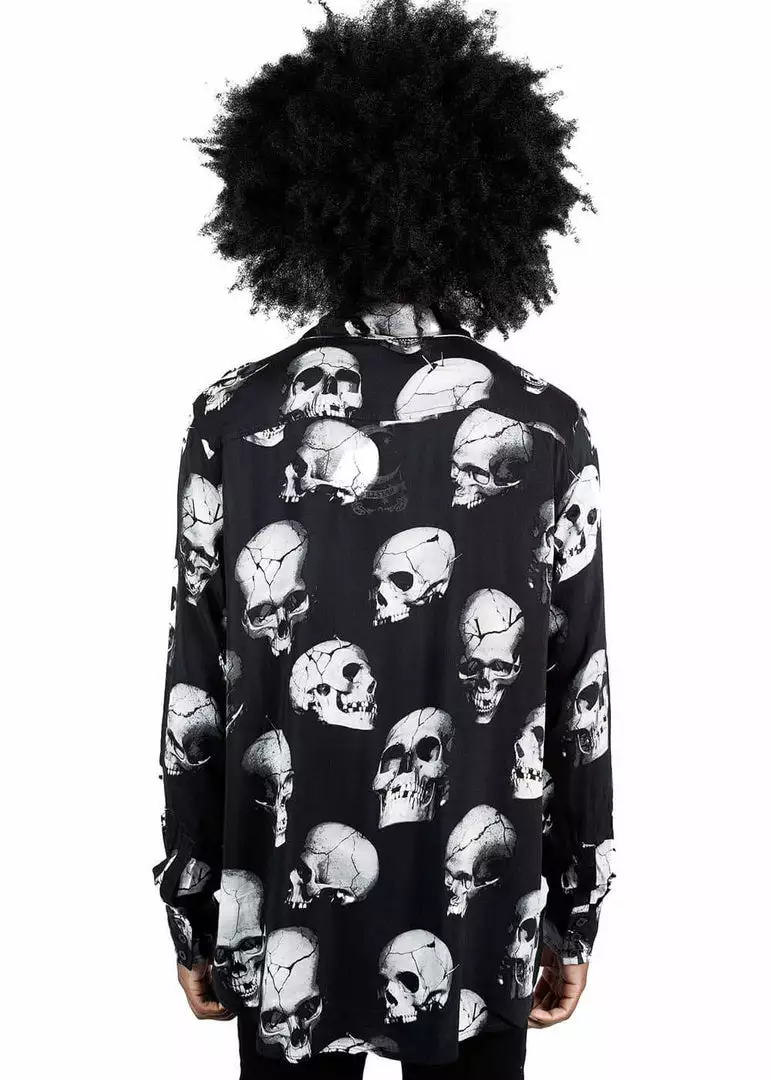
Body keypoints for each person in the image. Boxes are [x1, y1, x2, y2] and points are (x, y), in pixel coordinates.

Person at [152, 2, 615, 1077]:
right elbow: (578, 684)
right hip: (487, 917)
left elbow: (194, 687)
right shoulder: (547, 425)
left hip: (281, 912)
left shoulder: (234, 420)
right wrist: (575, 907)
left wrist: (192, 901)